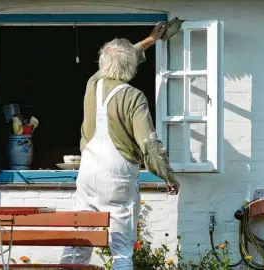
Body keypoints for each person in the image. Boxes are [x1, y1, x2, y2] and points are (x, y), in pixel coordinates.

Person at [60, 23, 181, 269]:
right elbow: (149, 143)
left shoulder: (92, 84)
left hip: (87, 175)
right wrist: (167, 176)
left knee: (79, 241)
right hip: (117, 178)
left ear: (103, 64)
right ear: (130, 67)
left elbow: (118, 58)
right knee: (121, 250)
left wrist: (148, 40)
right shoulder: (133, 96)